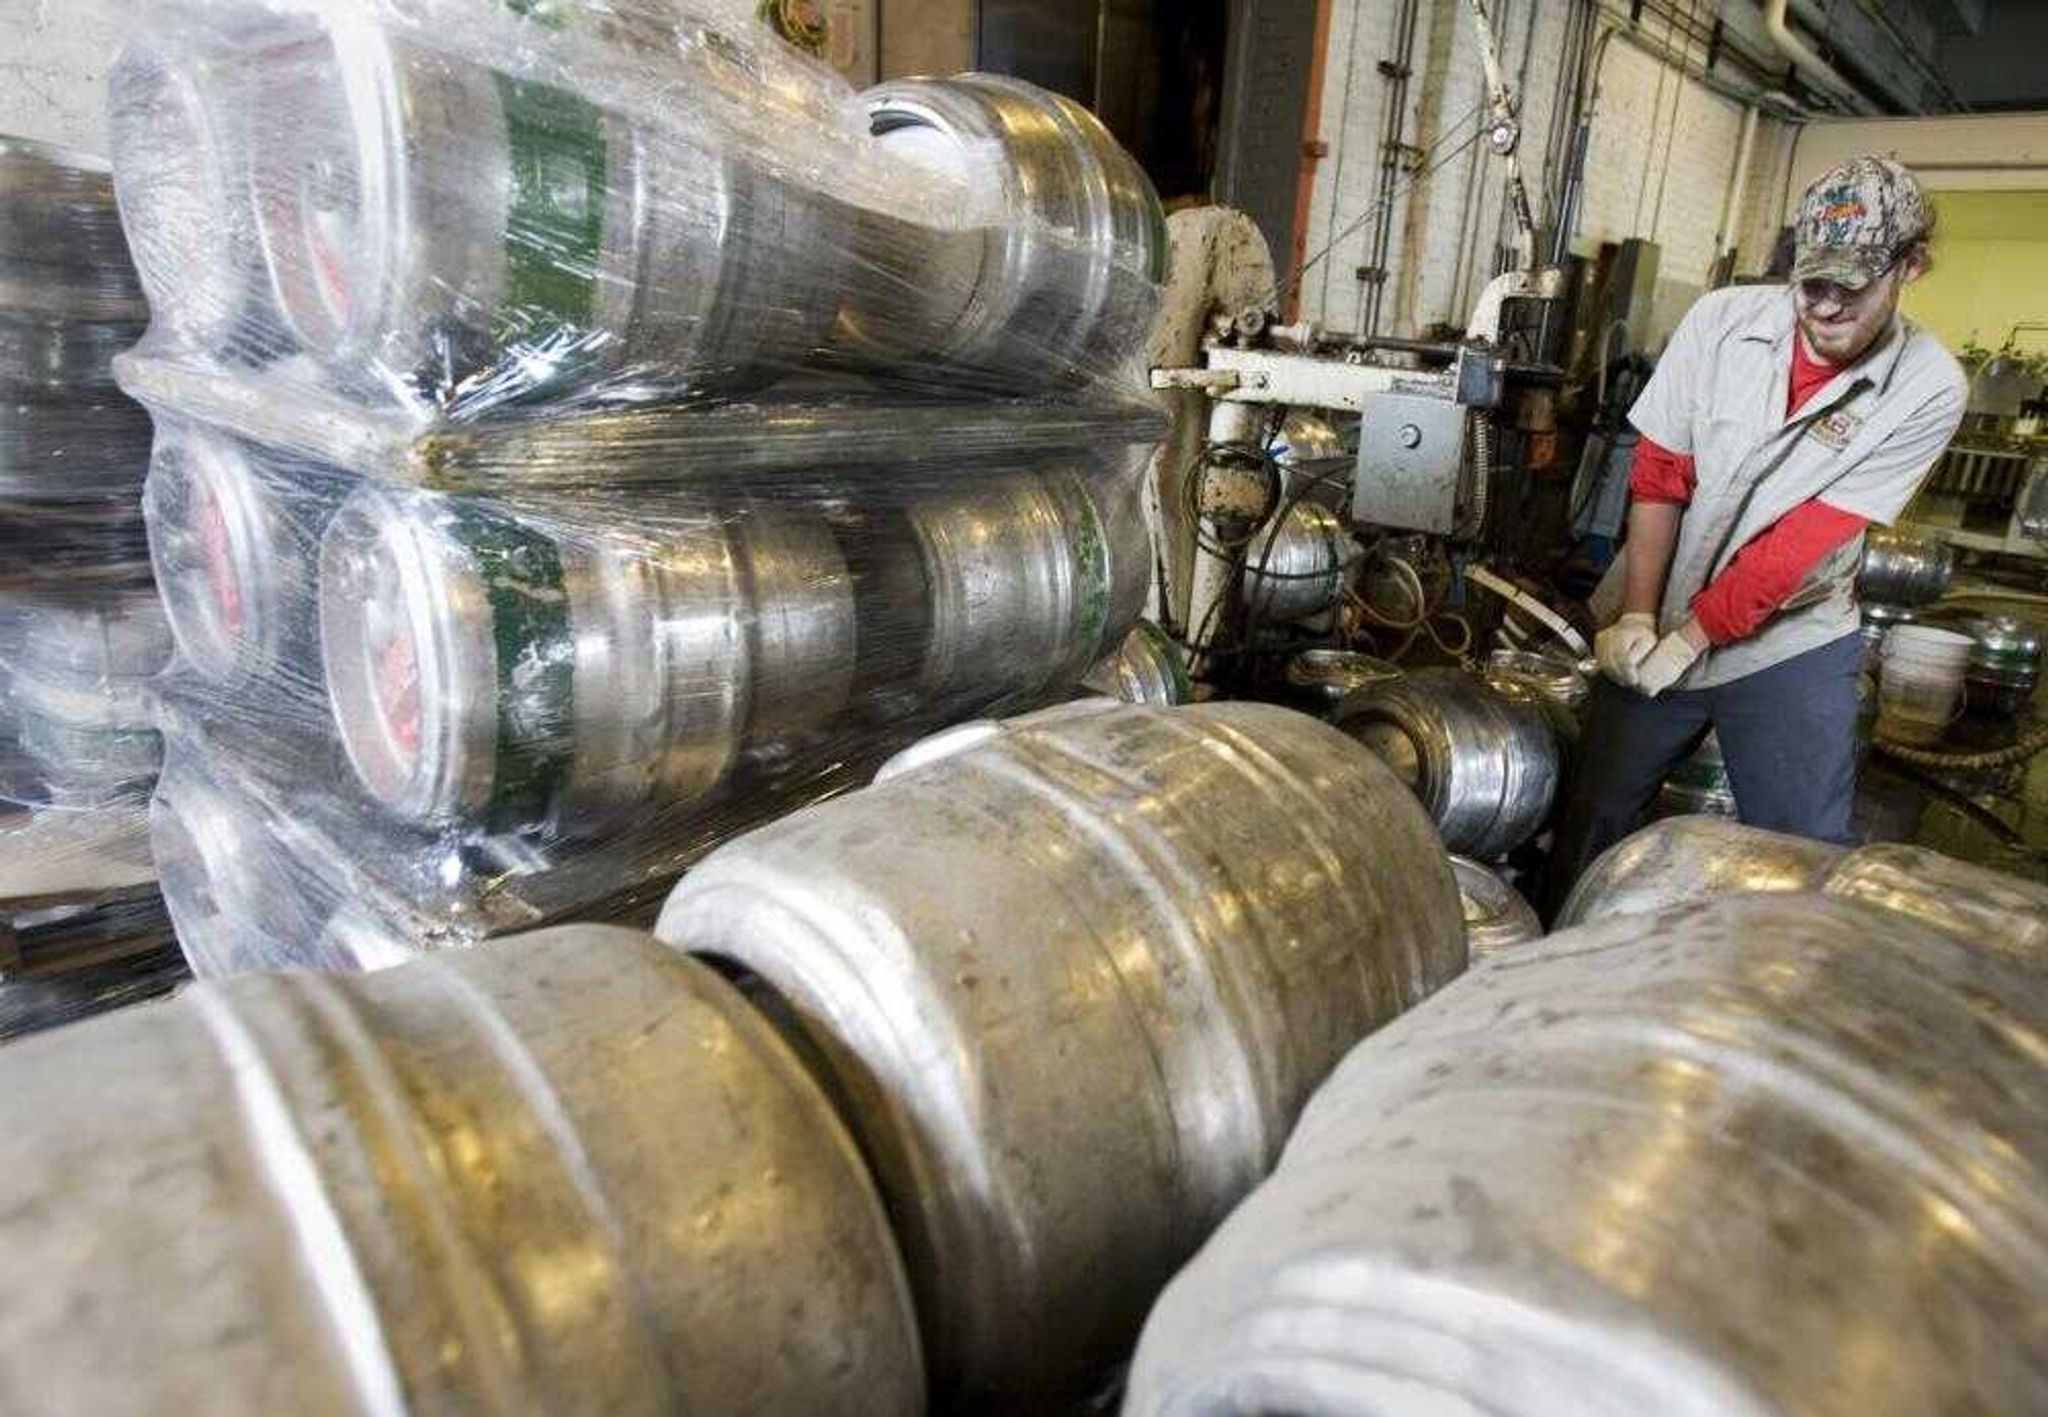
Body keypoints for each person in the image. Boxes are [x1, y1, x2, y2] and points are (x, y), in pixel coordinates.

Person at [1545, 156, 1966, 912]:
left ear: (1912, 266)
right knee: (1592, 813)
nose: (1827, 307)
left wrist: (1693, 637)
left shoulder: (1929, 385)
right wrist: (1642, 615)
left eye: (1855, 285)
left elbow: (1803, 543)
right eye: (1814, 282)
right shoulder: (1721, 322)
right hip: (1665, 604)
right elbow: (1660, 475)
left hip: (1789, 635)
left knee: (1802, 848)